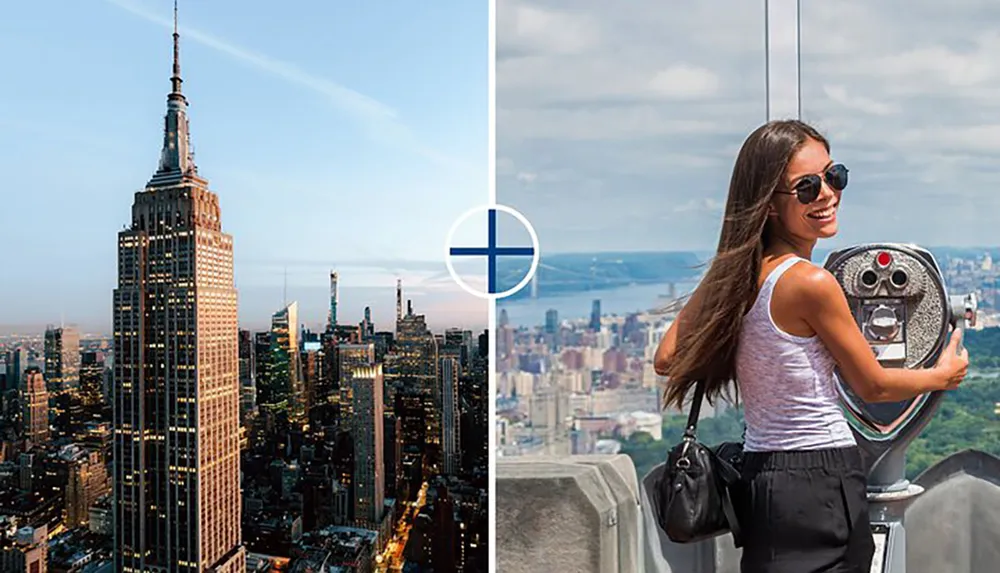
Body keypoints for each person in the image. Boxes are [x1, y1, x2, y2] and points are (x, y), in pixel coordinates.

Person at [652, 119, 969, 573]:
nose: (826, 193)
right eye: (806, 188)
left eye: (833, 176)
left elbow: (668, 358)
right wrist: (944, 375)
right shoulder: (811, 284)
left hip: (760, 477)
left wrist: (722, 274)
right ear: (769, 206)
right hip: (820, 479)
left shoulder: (739, 278)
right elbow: (873, 385)